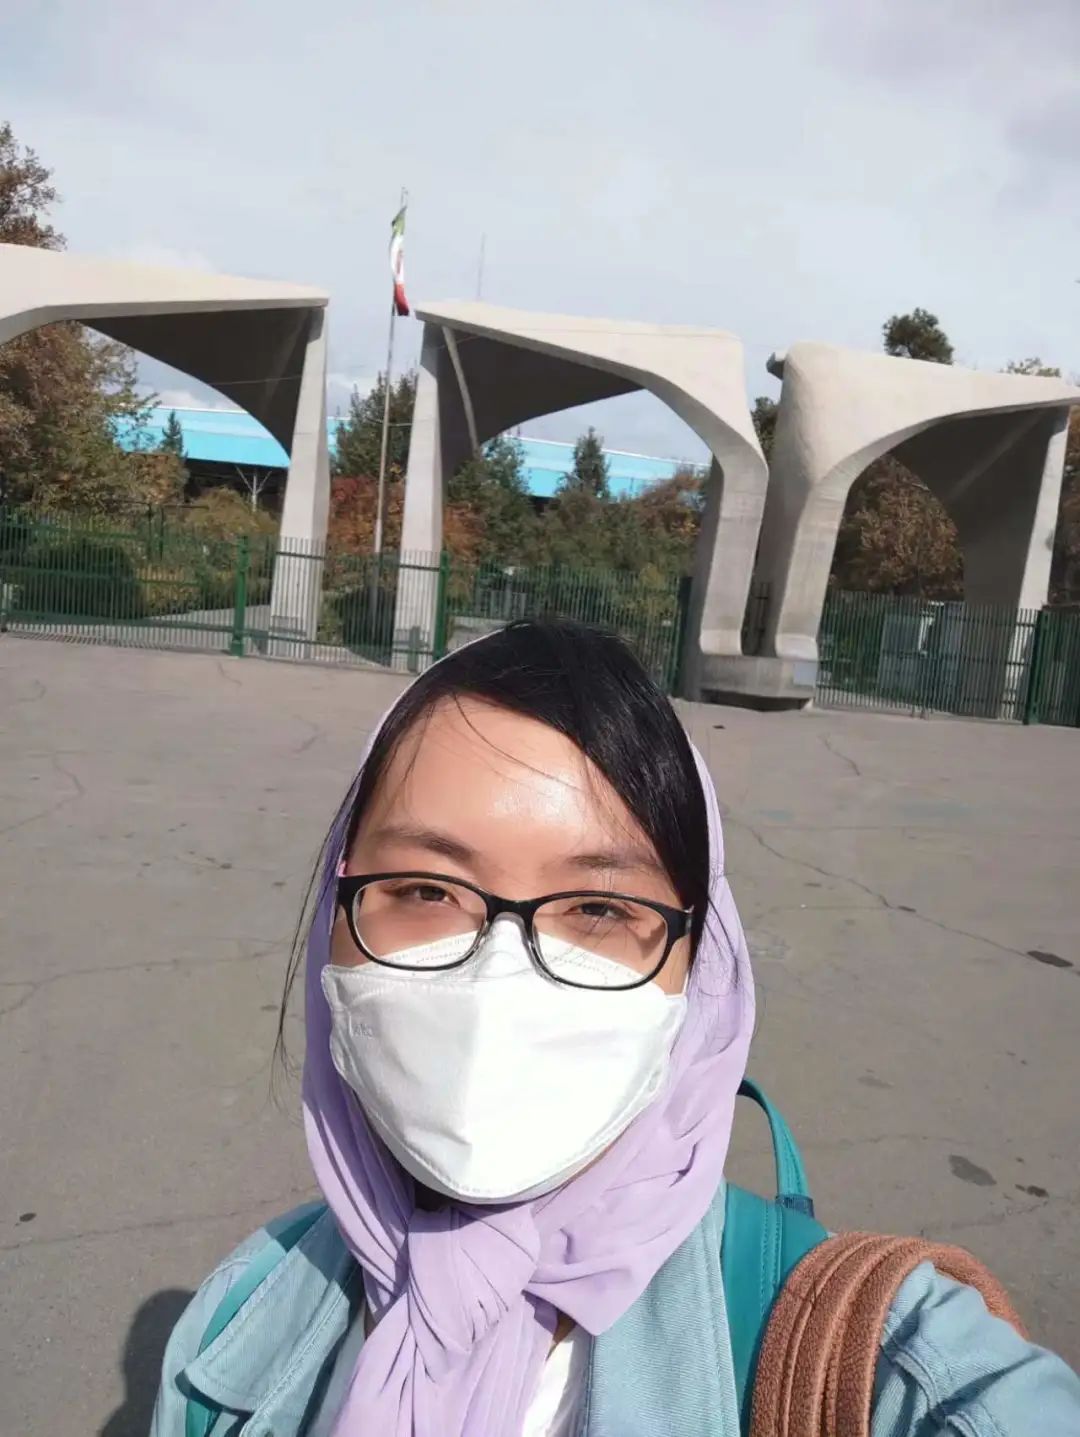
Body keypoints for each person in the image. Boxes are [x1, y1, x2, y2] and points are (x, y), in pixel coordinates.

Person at [152, 619, 1080, 1437]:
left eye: (598, 908)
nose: (497, 981)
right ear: (337, 916)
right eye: (426, 890)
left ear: (700, 967)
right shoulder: (234, 1330)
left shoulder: (885, 1363)